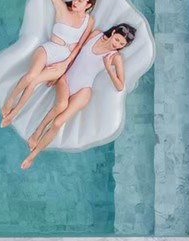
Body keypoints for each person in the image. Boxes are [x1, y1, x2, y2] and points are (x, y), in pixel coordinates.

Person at [22, 23, 136, 170]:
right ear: (113, 32)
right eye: (117, 39)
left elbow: (120, 86)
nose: (117, 45)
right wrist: (60, 73)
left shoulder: (115, 57)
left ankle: (32, 156)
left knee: (58, 123)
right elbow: (76, 53)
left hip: (84, 90)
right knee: (61, 105)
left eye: (121, 44)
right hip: (66, 79)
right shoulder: (96, 34)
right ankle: (38, 132)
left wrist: (108, 68)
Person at [0, 0, 97, 127]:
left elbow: (80, 46)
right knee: (31, 76)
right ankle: (10, 100)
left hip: (63, 61)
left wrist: (65, 64)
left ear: (88, 5)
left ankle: (14, 113)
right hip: (48, 50)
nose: (75, 2)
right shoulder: (63, 8)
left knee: (34, 82)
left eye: (80, 1)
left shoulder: (89, 21)